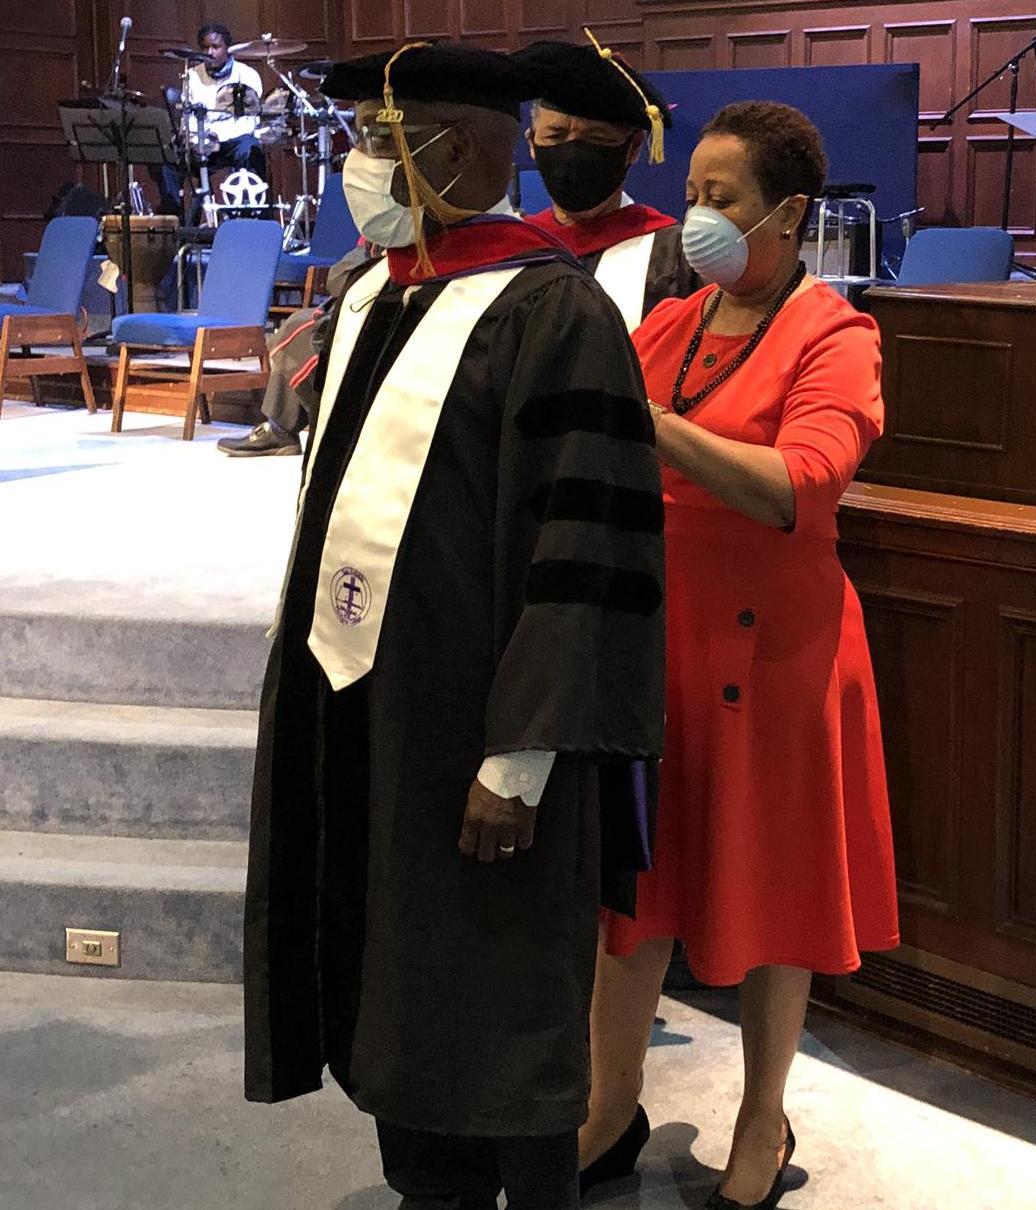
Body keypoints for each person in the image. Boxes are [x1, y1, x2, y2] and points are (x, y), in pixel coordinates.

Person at [242, 42, 665, 1210]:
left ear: (464, 150)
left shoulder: (553, 310)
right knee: (400, 994)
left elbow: (588, 557)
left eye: (384, 141)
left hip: (484, 734)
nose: (360, 166)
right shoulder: (378, 290)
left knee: (498, 1015)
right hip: (371, 710)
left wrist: (521, 758)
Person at [581, 102, 900, 1209]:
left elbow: (797, 488)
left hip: (779, 659)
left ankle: (763, 1116)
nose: (699, 217)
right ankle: (607, 1104)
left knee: (777, 894)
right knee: (630, 885)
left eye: (724, 197)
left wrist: (643, 424)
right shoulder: (669, 323)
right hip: (656, 640)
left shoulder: (836, 335)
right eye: (696, 194)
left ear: (790, 211)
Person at [513, 36, 697, 329]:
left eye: (595, 138)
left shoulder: (675, 256)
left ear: (634, 147)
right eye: (555, 136)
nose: (572, 152)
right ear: (532, 143)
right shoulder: (512, 248)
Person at [216, 242, 376, 457]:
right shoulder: (375, 233)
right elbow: (336, 279)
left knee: (303, 333)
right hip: (365, 298)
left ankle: (322, 429)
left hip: (387, 307)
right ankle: (280, 428)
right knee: (297, 324)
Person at [155, 22, 265, 219]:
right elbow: (187, 118)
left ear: (227, 49)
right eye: (205, 47)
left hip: (233, 140)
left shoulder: (247, 75)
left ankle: (247, 215)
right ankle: (174, 221)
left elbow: (249, 121)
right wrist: (198, 139)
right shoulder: (193, 76)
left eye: (216, 47)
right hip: (201, 143)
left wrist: (218, 136)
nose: (210, 52)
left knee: (250, 148)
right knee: (166, 159)